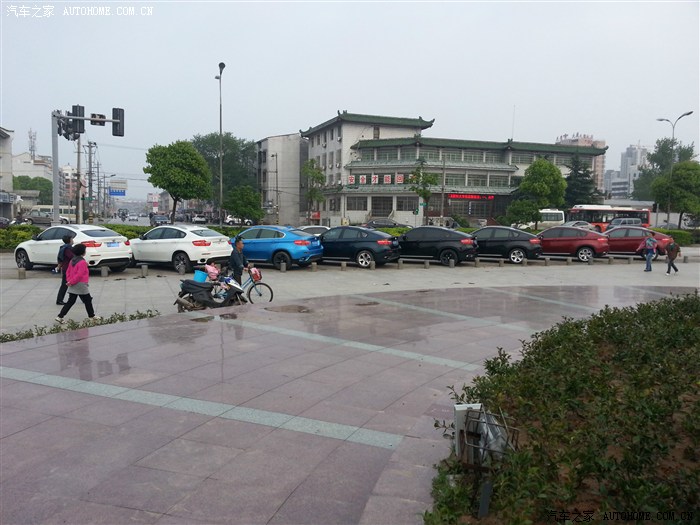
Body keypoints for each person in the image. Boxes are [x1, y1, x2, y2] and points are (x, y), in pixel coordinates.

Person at [55, 243, 102, 324]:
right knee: (87, 300)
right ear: (82, 252)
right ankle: (91, 316)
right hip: (80, 284)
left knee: (71, 301)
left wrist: (69, 281)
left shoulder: (72, 260)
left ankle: (60, 316)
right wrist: (72, 281)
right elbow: (79, 275)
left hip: (73, 283)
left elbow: (68, 272)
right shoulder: (82, 262)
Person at [55, 235, 75, 305]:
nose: (73, 240)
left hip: (67, 268)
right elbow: (72, 257)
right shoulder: (67, 248)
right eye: (72, 239)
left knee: (76, 283)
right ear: (69, 240)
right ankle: (59, 300)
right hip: (67, 269)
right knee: (65, 285)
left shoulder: (64, 247)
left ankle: (86, 298)